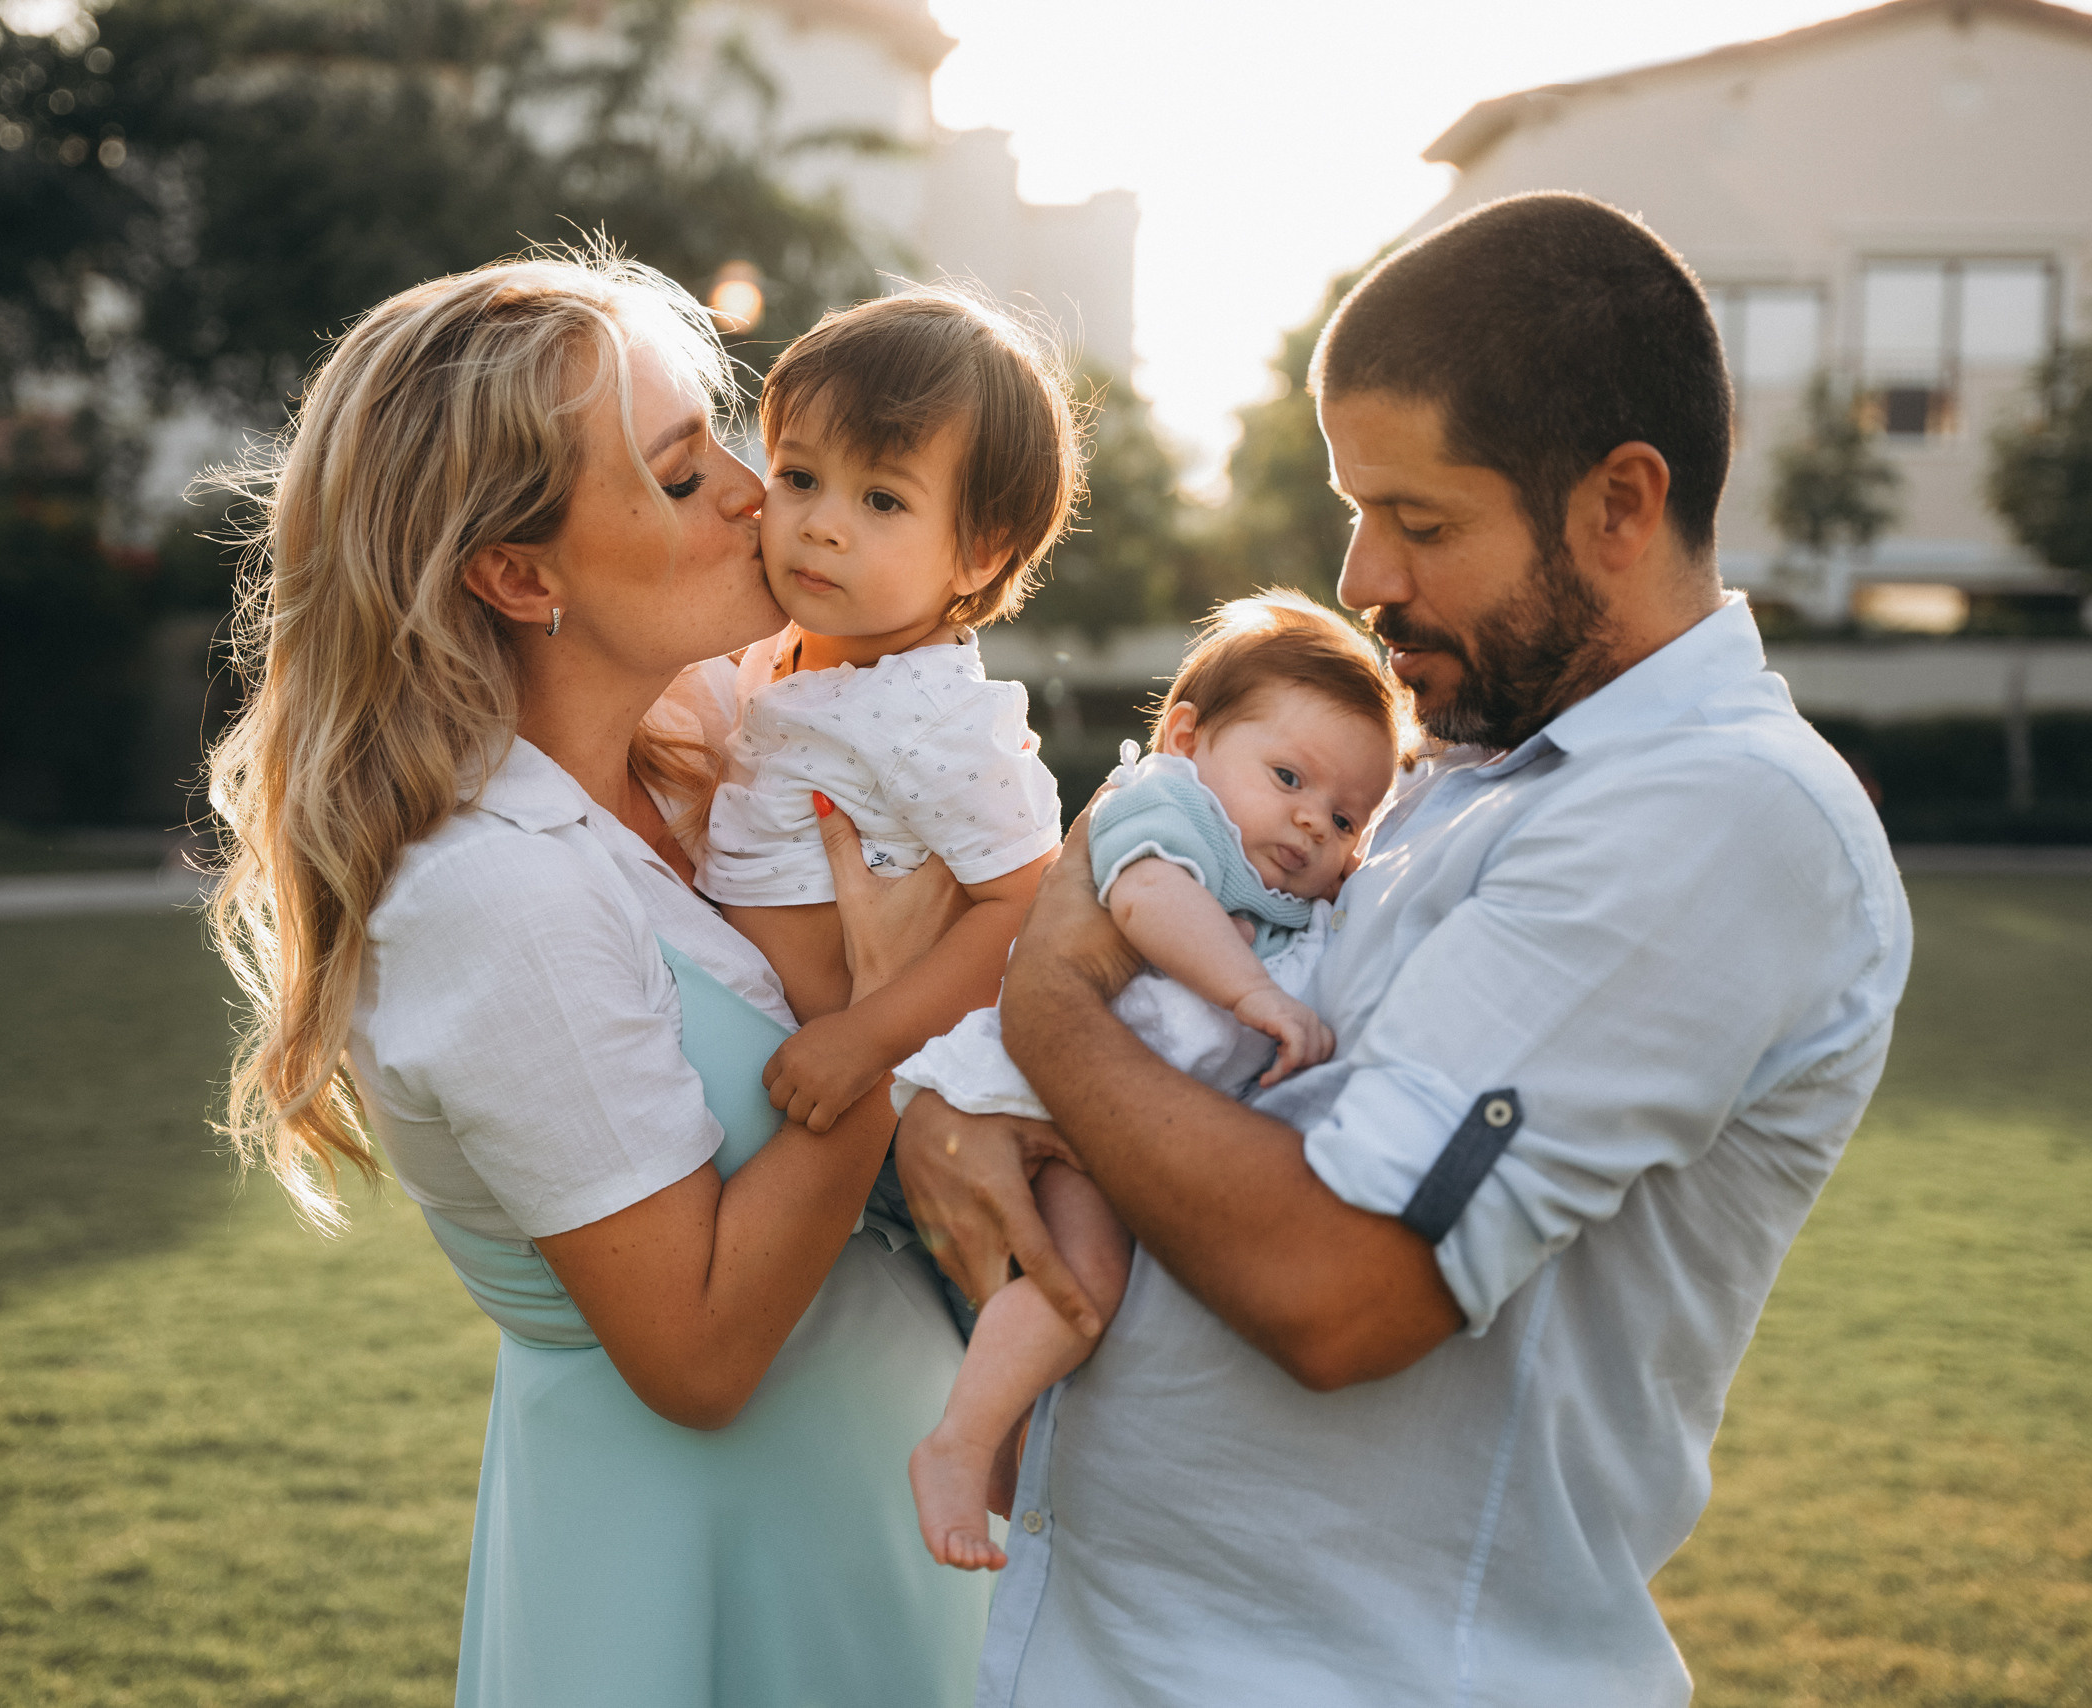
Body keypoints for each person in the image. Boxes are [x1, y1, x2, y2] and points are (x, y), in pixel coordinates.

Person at [895, 191, 1915, 1705]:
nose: (1363, 578)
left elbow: (1339, 1288)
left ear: (1621, 506)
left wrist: (1046, 1016)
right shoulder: (1445, 769)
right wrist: (943, 1108)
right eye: (1356, 508)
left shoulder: (1715, 815)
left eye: (1421, 522)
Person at [202, 250, 990, 1708]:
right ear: (519, 576)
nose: (761, 495)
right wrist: (888, 1022)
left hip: (879, 1541)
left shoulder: (716, 750)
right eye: (687, 478)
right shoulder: (495, 897)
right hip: (709, 1575)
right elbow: (693, 1352)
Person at [894, 590, 1407, 1572]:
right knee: (1081, 1283)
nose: (1310, 818)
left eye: (1345, 816)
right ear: (1185, 735)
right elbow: (1145, 897)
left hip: (1105, 1109)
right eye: (1288, 776)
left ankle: (997, 1442)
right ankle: (960, 1442)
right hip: (1043, 1093)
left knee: (1073, 1286)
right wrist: (1256, 993)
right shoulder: (1172, 807)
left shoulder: (1291, 892)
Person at [700, 289, 1075, 1135]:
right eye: (798, 478)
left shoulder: (936, 713)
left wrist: (867, 1037)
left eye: (882, 500)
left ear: (980, 552)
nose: (821, 524)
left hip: (912, 1093)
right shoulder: (780, 650)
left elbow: (1027, 908)